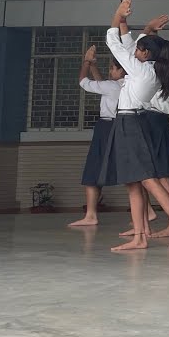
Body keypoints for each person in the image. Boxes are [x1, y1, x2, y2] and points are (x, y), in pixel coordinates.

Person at [99, 0, 169, 253]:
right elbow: (131, 47)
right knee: (135, 182)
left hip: (131, 121)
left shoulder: (142, 71)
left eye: (140, 50)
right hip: (132, 120)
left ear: (146, 54)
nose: (135, 53)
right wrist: (130, 24)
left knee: (149, 180)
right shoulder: (151, 70)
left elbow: (114, 43)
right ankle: (141, 236)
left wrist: (117, 15)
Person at [69, 44, 126, 227]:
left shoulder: (111, 86)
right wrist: (94, 66)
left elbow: (83, 82)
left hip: (106, 128)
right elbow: (103, 85)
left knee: (93, 169)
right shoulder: (128, 86)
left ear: (121, 70)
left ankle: (91, 215)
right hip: (123, 127)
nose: (110, 71)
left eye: (112, 68)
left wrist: (86, 62)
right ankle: (146, 211)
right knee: (131, 172)